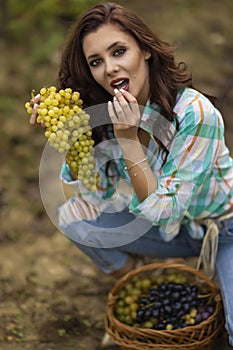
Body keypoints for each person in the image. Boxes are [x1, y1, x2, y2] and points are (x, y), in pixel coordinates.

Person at [29, 2, 233, 347]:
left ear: (146, 50)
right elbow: (97, 194)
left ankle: (217, 270)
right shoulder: (109, 114)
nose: (110, 68)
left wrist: (129, 140)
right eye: (97, 61)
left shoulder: (195, 114)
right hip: (174, 230)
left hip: (223, 227)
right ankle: (142, 277)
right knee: (76, 218)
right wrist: (68, 135)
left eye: (119, 51)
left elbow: (166, 212)